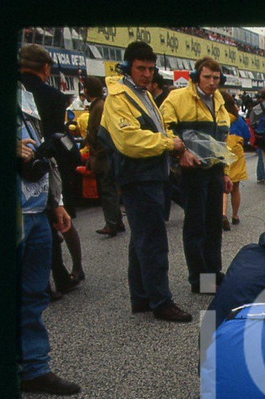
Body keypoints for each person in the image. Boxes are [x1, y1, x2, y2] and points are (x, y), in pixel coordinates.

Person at [101, 40, 192, 322]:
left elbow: (156, 129)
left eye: (151, 69)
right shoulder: (119, 97)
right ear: (127, 67)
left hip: (151, 174)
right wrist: (168, 144)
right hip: (138, 176)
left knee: (141, 238)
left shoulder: (141, 94)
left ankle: (142, 297)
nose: (147, 74)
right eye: (141, 68)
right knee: (153, 240)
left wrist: (171, 144)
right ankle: (161, 302)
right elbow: (128, 140)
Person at [17, 80, 81, 394]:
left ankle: (35, 368)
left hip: (36, 209)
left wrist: (56, 202)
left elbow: (45, 152)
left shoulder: (24, 95)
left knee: (33, 296)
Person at [161, 56, 235, 294]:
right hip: (191, 171)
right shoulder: (177, 98)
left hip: (214, 170)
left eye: (216, 78)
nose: (212, 82)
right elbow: (164, 129)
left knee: (214, 224)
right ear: (195, 77)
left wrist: (225, 172)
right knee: (196, 225)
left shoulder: (219, 100)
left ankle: (213, 272)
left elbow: (222, 140)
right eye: (207, 77)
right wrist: (180, 152)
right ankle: (200, 280)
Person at [19, 44, 85, 296]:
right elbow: (59, 137)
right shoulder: (54, 96)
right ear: (46, 68)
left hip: (22, 172)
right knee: (55, 220)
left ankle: (43, 283)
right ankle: (63, 275)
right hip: (47, 166)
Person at [83, 75, 125, 236]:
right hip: (103, 154)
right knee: (108, 188)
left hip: (103, 155)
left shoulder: (99, 106)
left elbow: (100, 133)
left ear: (87, 90)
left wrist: (96, 150)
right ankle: (116, 221)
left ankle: (112, 223)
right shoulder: (99, 105)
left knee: (107, 189)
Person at [221, 90, 250, 230]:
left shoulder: (216, 116)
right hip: (236, 150)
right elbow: (247, 135)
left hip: (221, 148)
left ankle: (222, 213)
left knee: (222, 184)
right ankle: (235, 215)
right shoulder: (237, 118)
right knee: (235, 187)